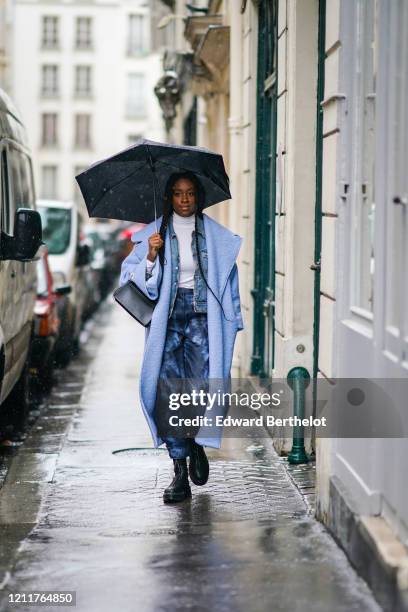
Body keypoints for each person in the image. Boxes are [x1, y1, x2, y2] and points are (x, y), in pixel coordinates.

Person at [119, 171, 243, 503]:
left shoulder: (216, 237)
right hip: (169, 318)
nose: (184, 199)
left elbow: (229, 280)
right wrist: (150, 257)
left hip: (204, 316)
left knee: (204, 388)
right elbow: (132, 279)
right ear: (170, 197)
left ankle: (197, 444)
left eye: (189, 193)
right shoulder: (153, 234)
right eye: (177, 193)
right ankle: (178, 471)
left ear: (198, 197)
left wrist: (234, 319)